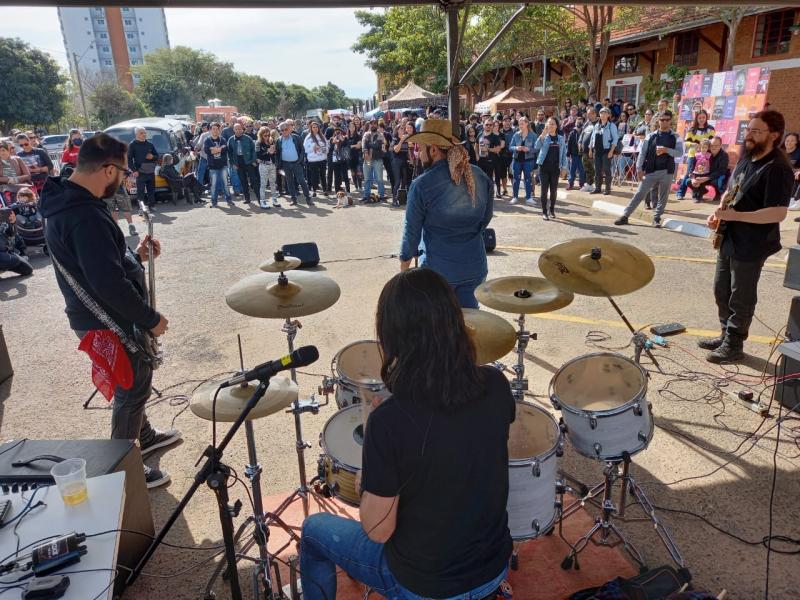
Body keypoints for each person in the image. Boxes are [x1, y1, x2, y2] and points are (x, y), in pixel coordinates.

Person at [300, 267, 514, 600]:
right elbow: (460, 451)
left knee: (313, 531)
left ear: (392, 336)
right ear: (455, 322)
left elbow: (378, 530)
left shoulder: (390, 421)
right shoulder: (496, 386)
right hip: (492, 567)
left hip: (427, 584)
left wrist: (371, 471)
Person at [41, 133, 181, 488]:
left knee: (130, 383)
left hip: (101, 316)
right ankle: (124, 466)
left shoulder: (69, 201)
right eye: (122, 172)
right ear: (106, 169)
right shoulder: (83, 215)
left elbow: (104, 264)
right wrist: (150, 319)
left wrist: (136, 257)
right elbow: (107, 283)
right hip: (106, 319)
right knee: (131, 387)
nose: (124, 179)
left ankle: (145, 436)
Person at [702, 110, 794, 363]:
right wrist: (718, 215)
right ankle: (725, 334)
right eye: (748, 130)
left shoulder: (778, 168)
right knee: (721, 290)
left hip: (753, 243)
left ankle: (734, 345)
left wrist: (736, 217)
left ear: (774, 135)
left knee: (741, 295)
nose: (749, 135)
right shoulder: (747, 158)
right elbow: (732, 192)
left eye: (756, 131)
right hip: (729, 236)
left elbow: (778, 213)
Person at [398, 119, 493, 308]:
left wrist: (403, 271)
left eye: (421, 147)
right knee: (468, 326)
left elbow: (412, 233)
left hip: (438, 272)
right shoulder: (480, 175)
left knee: (437, 329)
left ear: (434, 150)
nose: (418, 153)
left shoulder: (422, 184)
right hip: (474, 266)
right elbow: (485, 219)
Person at [614, 110, 683, 228]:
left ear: (670, 121)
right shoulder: (651, 136)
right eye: (662, 120)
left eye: (667, 120)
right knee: (640, 193)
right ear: (658, 120)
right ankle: (625, 216)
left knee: (663, 196)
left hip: (667, 171)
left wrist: (666, 150)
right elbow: (642, 153)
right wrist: (639, 169)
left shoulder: (675, 137)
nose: (664, 122)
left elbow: (679, 153)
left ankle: (656, 218)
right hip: (650, 170)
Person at [677, 110, 716, 200]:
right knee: (689, 174)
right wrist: (693, 144)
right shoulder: (692, 129)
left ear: (706, 118)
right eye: (699, 118)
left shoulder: (710, 129)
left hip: (705, 157)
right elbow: (686, 142)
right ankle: (681, 193)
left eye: (703, 117)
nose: (701, 119)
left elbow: (712, 142)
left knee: (702, 175)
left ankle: (699, 193)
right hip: (693, 155)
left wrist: (705, 145)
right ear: (696, 118)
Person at [535, 117, 568, 220]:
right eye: (549, 124)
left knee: (553, 191)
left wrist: (564, 168)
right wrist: (542, 135)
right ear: (547, 126)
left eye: (553, 124)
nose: (551, 125)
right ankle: (544, 212)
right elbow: (536, 146)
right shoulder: (544, 137)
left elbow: (563, 155)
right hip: (544, 167)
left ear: (556, 126)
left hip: (555, 168)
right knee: (544, 191)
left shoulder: (561, 138)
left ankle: (552, 210)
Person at [276, 121, 313, 207]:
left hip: (296, 163)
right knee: (289, 182)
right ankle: (293, 199)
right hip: (285, 164)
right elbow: (277, 154)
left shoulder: (296, 137)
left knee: (301, 181)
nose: (284, 131)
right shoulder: (278, 140)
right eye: (282, 130)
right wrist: (279, 165)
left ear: (289, 129)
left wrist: (300, 161)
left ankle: (308, 198)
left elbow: (302, 150)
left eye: (285, 129)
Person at [588, 107, 618, 195]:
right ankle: (598, 188)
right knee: (597, 170)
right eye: (601, 113)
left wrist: (611, 151)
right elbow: (592, 138)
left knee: (606, 170)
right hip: (597, 151)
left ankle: (607, 189)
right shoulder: (597, 125)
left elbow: (615, 139)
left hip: (606, 150)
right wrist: (590, 149)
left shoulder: (611, 125)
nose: (603, 115)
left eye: (605, 113)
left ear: (608, 115)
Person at [128, 127, 159, 209]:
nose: (144, 134)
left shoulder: (150, 144)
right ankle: (141, 208)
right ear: (136, 134)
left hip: (150, 171)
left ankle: (152, 206)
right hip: (139, 172)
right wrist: (134, 170)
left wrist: (152, 157)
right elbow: (129, 159)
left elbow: (157, 156)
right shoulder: (132, 145)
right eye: (141, 133)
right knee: (140, 191)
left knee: (151, 190)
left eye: (145, 133)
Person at [509, 116, 537, 206]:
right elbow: (510, 147)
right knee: (516, 179)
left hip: (528, 161)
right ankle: (515, 197)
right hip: (517, 160)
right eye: (519, 124)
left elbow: (537, 149)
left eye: (522, 124)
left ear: (527, 124)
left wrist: (528, 149)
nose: (520, 125)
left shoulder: (533, 135)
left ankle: (528, 197)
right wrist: (516, 148)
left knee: (528, 179)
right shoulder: (516, 134)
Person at [203, 123, 233, 208]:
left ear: (219, 130)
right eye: (213, 129)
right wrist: (220, 149)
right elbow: (208, 151)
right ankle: (214, 202)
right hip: (213, 166)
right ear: (210, 130)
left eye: (217, 129)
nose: (215, 130)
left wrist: (214, 149)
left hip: (223, 165)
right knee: (213, 185)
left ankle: (229, 200)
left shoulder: (222, 139)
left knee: (226, 184)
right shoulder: (207, 140)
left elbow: (225, 149)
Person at [228, 123, 258, 204]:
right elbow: (229, 153)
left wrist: (253, 161)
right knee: (243, 181)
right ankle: (247, 198)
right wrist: (233, 163)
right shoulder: (231, 140)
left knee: (254, 180)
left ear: (242, 129)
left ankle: (259, 198)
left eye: (239, 129)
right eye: (236, 129)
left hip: (248, 162)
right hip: (238, 162)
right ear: (233, 130)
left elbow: (253, 150)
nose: (238, 130)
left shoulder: (248, 138)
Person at [0, 206, 32, 277]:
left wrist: (13, 223)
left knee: (27, 269)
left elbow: (12, 234)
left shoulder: (2, 216)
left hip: (5, 250)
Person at [362, 120, 386, 203]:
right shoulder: (366, 134)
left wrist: (368, 144)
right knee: (367, 178)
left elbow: (377, 145)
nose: (373, 125)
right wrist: (366, 148)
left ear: (377, 125)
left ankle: (381, 195)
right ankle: (366, 195)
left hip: (377, 159)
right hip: (367, 159)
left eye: (374, 124)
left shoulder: (380, 135)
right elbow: (364, 145)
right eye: (371, 124)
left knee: (379, 179)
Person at [391, 122, 415, 206]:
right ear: (397, 130)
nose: (403, 130)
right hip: (396, 162)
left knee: (404, 181)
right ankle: (394, 200)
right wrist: (401, 140)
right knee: (397, 182)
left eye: (403, 128)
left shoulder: (406, 139)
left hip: (404, 162)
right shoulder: (395, 139)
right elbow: (396, 150)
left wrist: (411, 159)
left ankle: (401, 199)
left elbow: (408, 150)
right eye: (401, 128)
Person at [256, 127, 280, 209]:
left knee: (273, 183)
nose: (267, 136)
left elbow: (274, 154)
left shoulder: (271, 141)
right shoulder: (258, 143)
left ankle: (274, 199)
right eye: (265, 135)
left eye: (268, 135)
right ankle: (262, 201)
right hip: (263, 165)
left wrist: (274, 152)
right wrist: (268, 152)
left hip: (272, 165)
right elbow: (258, 155)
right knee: (263, 184)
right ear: (261, 135)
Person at [304, 122, 329, 198]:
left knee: (323, 175)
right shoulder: (308, 137)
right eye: (313, 127)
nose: (315, 128)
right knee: (314, 176)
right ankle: (314, 190)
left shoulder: (322, 136)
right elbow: (305, 149)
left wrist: (325, 150)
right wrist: (313, 148)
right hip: (313, 160)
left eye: (316, 127)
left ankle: (325, 190)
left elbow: (327, 146)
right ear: (311, 128)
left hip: (322, 159)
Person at [566, 116, 586, 191]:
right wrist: (568, 154)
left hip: (581, 155)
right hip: (574, 155)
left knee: (581, 170)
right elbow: (569, 144)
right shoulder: (572, 133)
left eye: (581, 122)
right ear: (575, 123)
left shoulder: (584, 132)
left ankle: (582, 184)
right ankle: (570, 184)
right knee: (572, 170)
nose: (579, 123)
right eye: (578, 122)